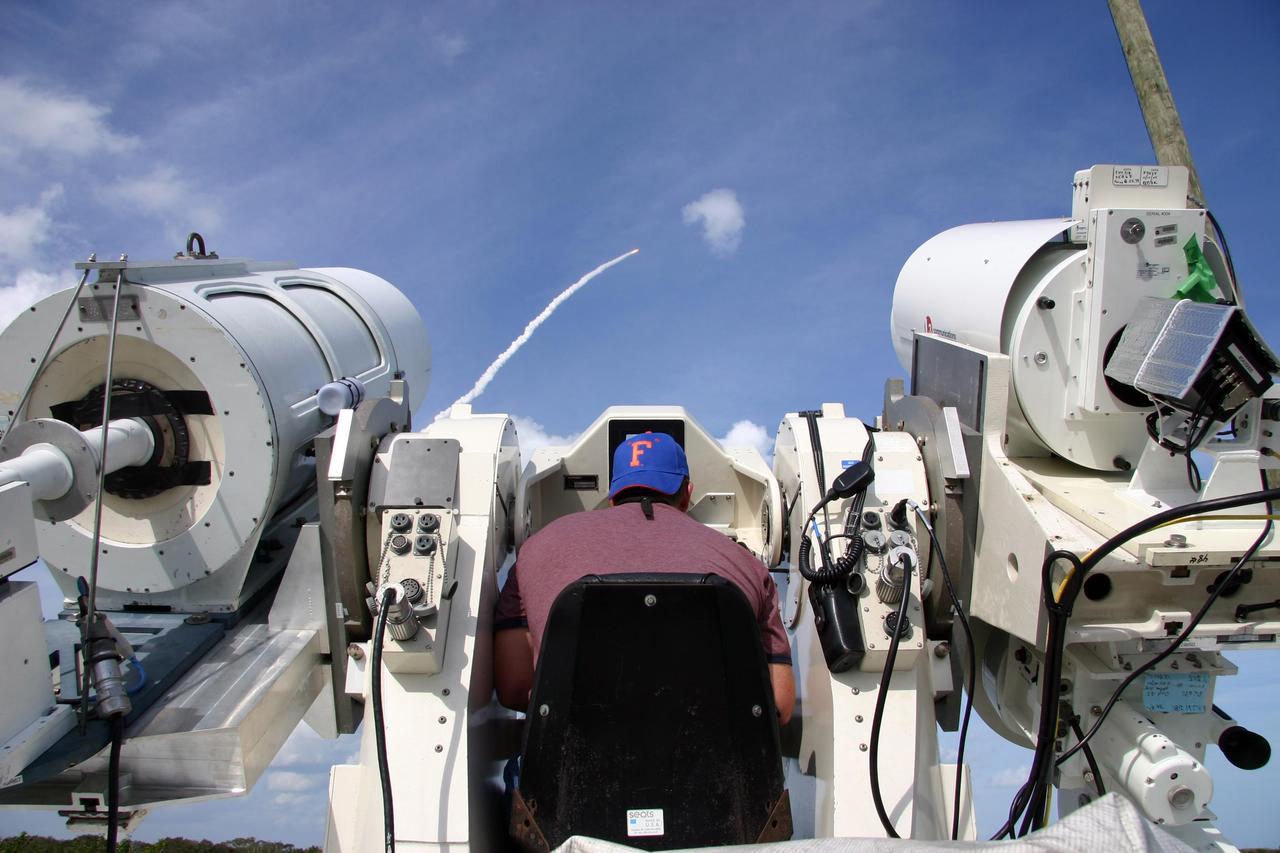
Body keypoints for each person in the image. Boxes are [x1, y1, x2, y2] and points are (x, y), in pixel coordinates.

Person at [493, 431, 795, 723]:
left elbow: (515, 687)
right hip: (716, 770)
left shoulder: (534, 552)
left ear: (613, 496)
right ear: (687, 493)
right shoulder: (749, 566)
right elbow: (778, 705)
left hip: (569, 768)